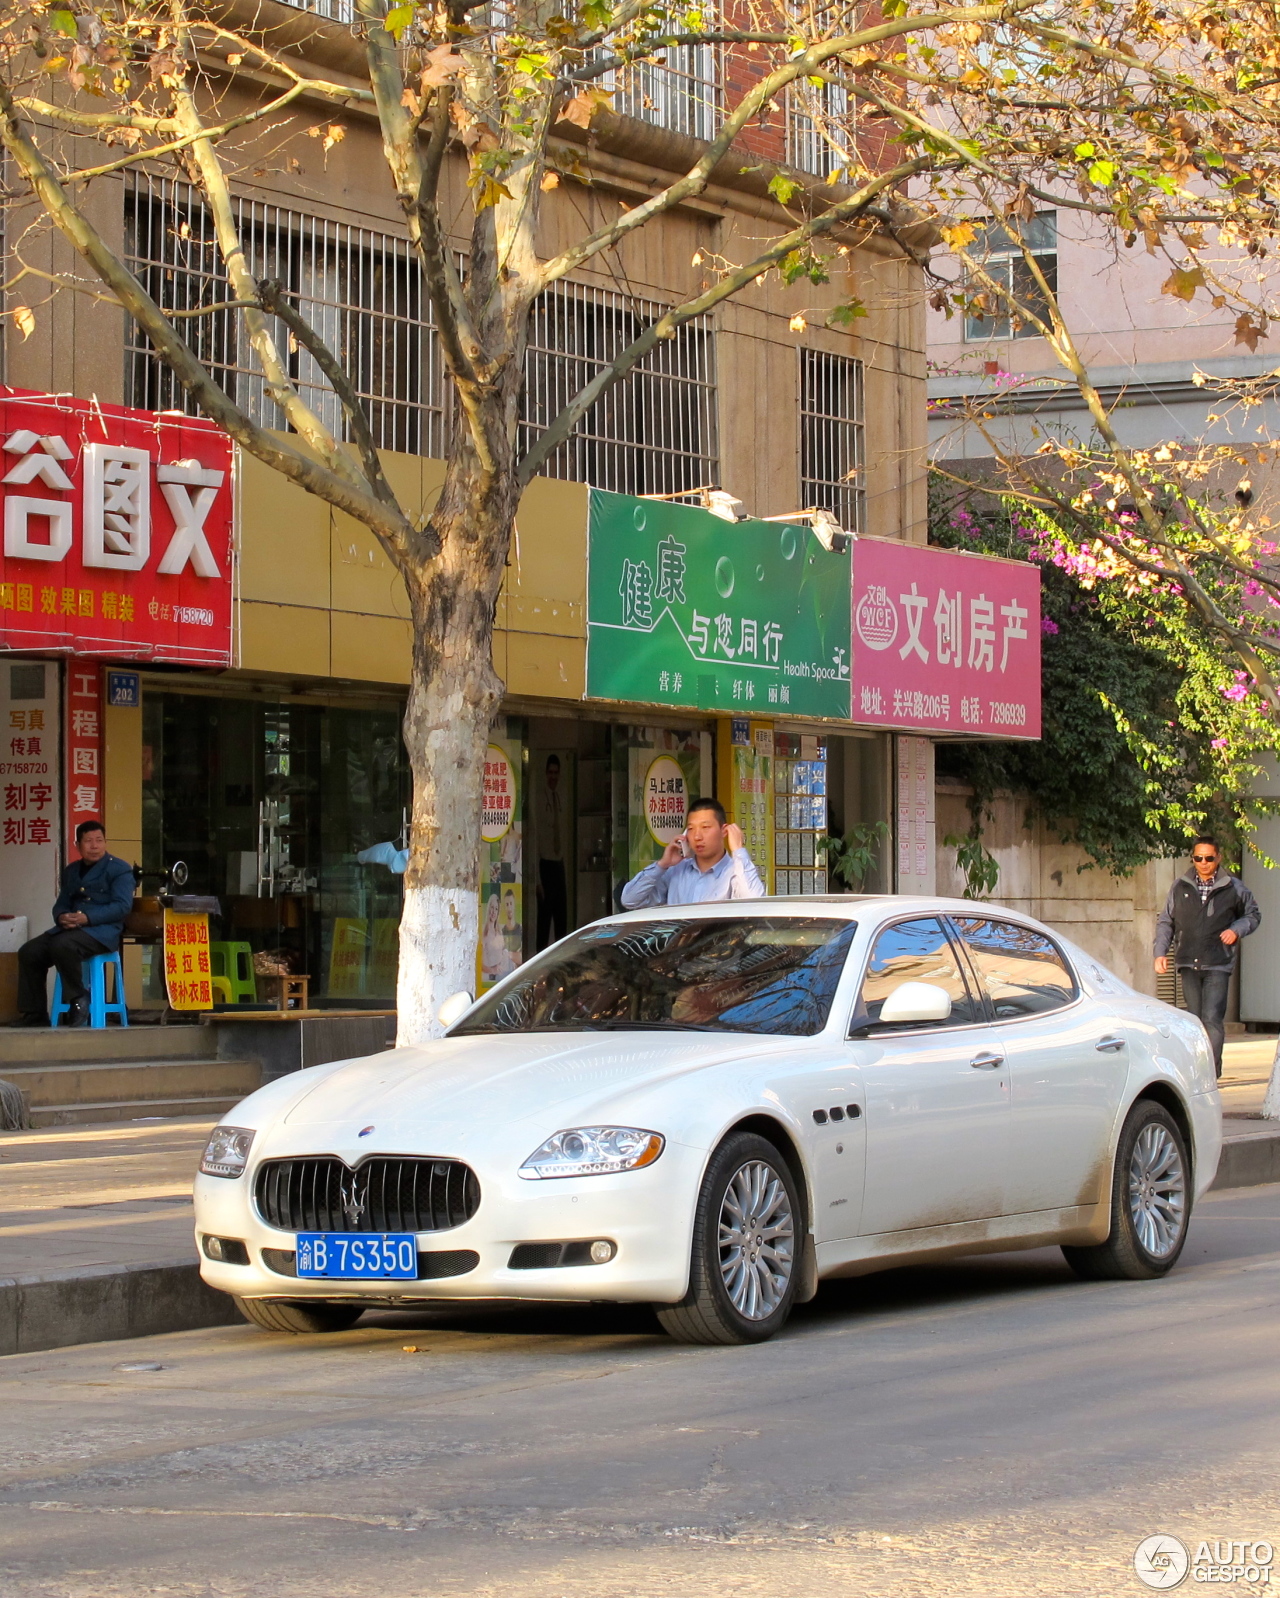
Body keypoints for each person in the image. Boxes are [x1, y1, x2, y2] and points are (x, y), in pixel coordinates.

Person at [1154, 834, 1260, 1078]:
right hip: (1188, 961)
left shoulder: (1234, 887)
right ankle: (1196, 1072)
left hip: (1218, 963)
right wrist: (1160, 952)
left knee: (1211, 1018)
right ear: (1193, 858)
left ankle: (1211, 1073)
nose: (1203, 863)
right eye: (1198, 858)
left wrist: (1236, 930)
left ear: (1218, 858)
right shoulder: (1180, 886)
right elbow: (1166, 921)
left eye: (1208, 858)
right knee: (1194, 1020)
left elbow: (1253, 915)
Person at [15, 820, 135, 1027]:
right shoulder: (72, 871)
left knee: (63, 945)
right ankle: (34, 1013)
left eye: (99, 840)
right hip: (70, 929)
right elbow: (61, 904)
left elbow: (122, 907)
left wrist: (87, 918)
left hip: (102, 932)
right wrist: (62, 917)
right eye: (88, 841)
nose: (94, 846)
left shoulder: (120, 869)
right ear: (77, 844)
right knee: (30, 951)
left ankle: (79, 999)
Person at [621, 796, 765, 908]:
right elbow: (629, 900)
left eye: (705, 827)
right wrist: (662, 865)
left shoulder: (736, 872)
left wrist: (738, 851)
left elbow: (756, 903)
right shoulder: (676, 871)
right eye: (691, 828)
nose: (697, 836)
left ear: (723, 831)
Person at [535, 753, 568, 949]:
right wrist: (537, 880)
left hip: (559, 864)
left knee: (561, 920)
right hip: (545, 865)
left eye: (556, 773)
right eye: (550, 772)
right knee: (544, 920)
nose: (553, 777)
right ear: (545, 773)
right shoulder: (540, 799)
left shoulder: (561, 798)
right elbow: (536, 838)